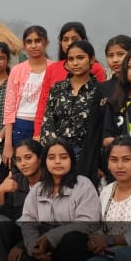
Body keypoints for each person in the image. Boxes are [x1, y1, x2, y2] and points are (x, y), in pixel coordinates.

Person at [13, 139, 100, 261]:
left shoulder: (83, 184)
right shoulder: (38, 188)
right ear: (45, 161)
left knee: (73, 240)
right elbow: (28, 221)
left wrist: (50, 237)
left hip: (75, 244)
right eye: (52, 157)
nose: (57, 162)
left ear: (72, 160)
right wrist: (33, 245)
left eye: (63, 157)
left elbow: (88, 223)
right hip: (47, 245)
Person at [38, 40, 106, 181]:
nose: (75, 63)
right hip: (59, 157)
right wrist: (57, 153)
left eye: (80, 58)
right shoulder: (58, 88)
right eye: (71, 59)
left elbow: (100, 128)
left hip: (88, 157)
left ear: (91, 59)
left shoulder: (100, 90)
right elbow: (48, 121)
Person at [0, 139, 44, 261]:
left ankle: (10, 259)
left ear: (40, 159)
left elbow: (48, 224)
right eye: (18, 159)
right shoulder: (16, 180)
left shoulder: (50, 183)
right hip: (16, 231)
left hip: (40, 235)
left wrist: (21, 246)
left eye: (28, 157)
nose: (23, 163)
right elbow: (1, 213)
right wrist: (1, 191)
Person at [33, 21, 108, 136]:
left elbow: (102, 106)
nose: (69, 43)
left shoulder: (97, 69)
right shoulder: (53, 70)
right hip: (58, 139)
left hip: (89, 137)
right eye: (65, 39)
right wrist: (38, 133)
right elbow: (44, 104)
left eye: (75, 39)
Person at [2, 26, 50, 165]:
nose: (33, 45)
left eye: (38, 41)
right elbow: (9, 106)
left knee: (44, 166)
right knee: (22, 167)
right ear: (24, 45)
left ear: (46, 42)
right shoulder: (17, 70)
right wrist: (8, 143)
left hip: (46, 125)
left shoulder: (54, 68)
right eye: (29, 42)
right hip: (20, 126)